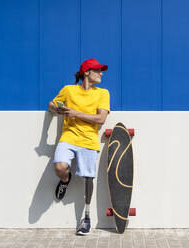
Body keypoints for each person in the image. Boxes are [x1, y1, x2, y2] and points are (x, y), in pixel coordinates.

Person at [48, 58, 110, 235]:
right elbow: (51, 105)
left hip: (89, 140)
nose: (101, 74)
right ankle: (65, 180)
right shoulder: (69, 90)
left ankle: (87, 218)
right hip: (68, 137)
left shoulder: (103, 93)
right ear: (86, 73)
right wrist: (57, 110)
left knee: (88, 178)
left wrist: (76, 113)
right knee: (60, 166)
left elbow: (101, 119)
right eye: (98, 70)